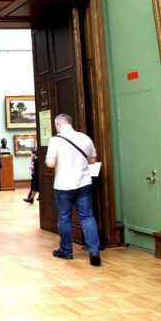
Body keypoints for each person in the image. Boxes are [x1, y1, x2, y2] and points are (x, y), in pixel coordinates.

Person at [45, 113, 101, 266]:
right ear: (70, 123)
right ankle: (94, 250)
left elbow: (51, 163)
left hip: (63, 184)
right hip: (84, 182)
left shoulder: (55, 140)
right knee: (87, 216)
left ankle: (66, 250)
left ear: (58, 125)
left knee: (64, 218)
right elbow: (92, 160)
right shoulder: (85, 138)